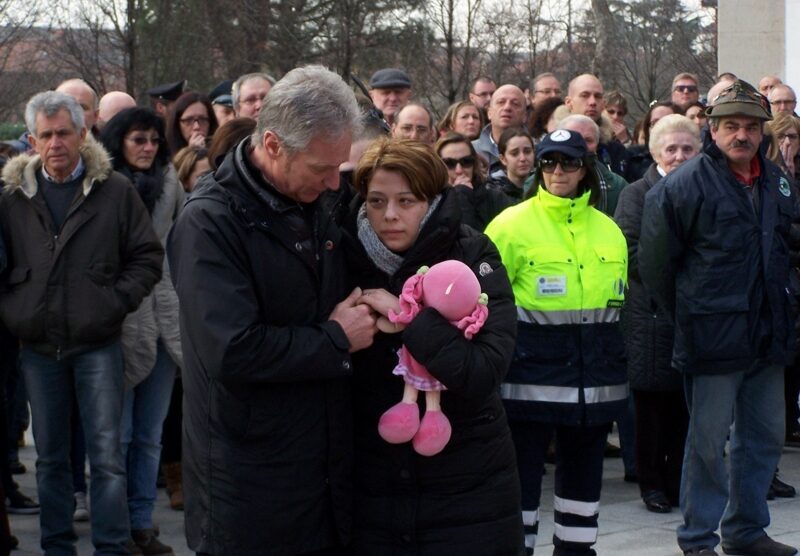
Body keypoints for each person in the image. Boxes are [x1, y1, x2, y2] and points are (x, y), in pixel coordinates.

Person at [167, 65, 378, 556]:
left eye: (339, 169)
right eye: (322, 169)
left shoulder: (316, 196)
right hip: (248, 484)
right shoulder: (209, 223)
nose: (334, 184)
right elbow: (233, 350)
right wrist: (335, 338)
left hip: (320, 470)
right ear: (273, 144)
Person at [342, 137, 524, 555]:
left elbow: (484, 371)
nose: (389, 215)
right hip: (373, 488)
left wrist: (410, 318)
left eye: (406, 201)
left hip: (468, 485)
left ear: (431, 200)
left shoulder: (472, 252)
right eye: (375, 201)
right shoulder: (343, 256)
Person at [639, 80, 798, 556]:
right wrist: (690, 316)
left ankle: (746, 530)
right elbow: (656, 267)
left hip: (768, 335)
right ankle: (697, 539)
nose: (742, 135)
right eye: (731, 126)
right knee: (707, 445)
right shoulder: (683, 185)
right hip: (712, 337)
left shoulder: (777, 180)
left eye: (751, 127)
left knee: (764, 437)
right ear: (711, 127)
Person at [0, 91, 163, 555]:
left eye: (64, 133)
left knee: (107, 457)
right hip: (37, 347)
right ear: (32, 140)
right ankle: (57, 547)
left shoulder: (114, 191)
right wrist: (15, 310)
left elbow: (148, 256)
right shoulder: (13, 199)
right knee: (50, 459)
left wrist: (113, 303)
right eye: (45, 134)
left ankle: (111, 546)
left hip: (98, 344)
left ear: (82, 134)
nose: (55, 143)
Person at [486, 129, 628, 556]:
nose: (557, 171)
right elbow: (487, 302)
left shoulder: (609, 230)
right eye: (548, 162)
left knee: (583, 488)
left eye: (568, 162)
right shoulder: (510, 224)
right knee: (522, 486)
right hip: (529, 382)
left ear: (585, 168)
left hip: (594, 384)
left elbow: (621, 308)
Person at [99, 106, 184, 555]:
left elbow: (187, 238)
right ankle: (112, 527)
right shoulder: (102, 186)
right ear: (120, 141)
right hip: (118, 317)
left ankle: (139, 524)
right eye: (138, 139)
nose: (148, 148)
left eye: (154, 140)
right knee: (120, 434)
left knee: (149, 435)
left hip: (167, 314)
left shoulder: (172, 184)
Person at [613, 114, 700, 514]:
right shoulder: (636, 193)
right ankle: (652, 483)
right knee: (651, 408)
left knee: (684, 408)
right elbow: (631, 254)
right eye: (672, 149)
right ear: (655, 152)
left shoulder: (706, 188)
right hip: (651, 312)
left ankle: (679, 481)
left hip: (694, 313)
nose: (681, 156)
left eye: (688, 148)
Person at [435, 132, 511, 231]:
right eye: (449, 163)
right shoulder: (430, 202)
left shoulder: (495, 198)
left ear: (474, 164)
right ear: (437, 166)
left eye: (466, 161)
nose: (459, 170)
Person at [564, 74, 628, 177]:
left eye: (598, 96)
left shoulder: (616, 151)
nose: (593, 102)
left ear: (603, 103)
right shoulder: (553, 146)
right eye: (585, 95)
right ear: (569, 102)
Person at [472, 84, 527, 175]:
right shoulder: (471, 151)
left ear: (525, 116)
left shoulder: (536, 152)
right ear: (489, 113)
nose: (507, 107)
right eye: (501, 102)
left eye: (515, 104)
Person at [626, 102, 682, 181]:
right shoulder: (632, 158)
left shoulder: (689, 157)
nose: (660, 126)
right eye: (655, 122)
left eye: (666, 121)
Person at [487, 127, 534, 201]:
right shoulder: (491, 193)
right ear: (503, 159)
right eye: (514, 154)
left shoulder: (544, 187)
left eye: (527, 151)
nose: (523, 158)